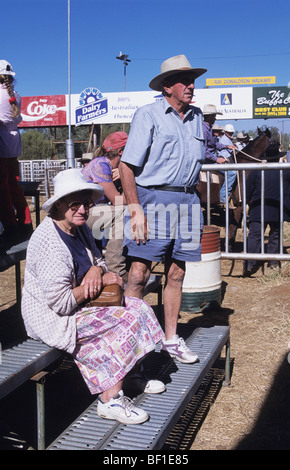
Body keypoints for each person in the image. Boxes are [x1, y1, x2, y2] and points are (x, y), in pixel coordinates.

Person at [21, 168, 165, 425]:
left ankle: (129, 374)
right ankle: (109, 399)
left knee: (140, 309)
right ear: (57, 206)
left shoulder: (80, 229)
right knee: (125, 320)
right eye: (74, 204)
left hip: (83, 304)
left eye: (86, 203)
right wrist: (96, 282)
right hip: (53, 316)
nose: (82, 210)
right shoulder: (47, 242)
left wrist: (97, 271)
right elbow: (61, 303)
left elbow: (98, 262)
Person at [119, 54, 207, 364]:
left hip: (188, 201)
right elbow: (127, 166)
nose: (192, 86)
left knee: (177, 272)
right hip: (153, 200)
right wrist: (134, 208)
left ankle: (170, 338)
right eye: (185, 80)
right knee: (139, 274)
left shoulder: (197, 117)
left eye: (193, 80)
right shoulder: (149, 114)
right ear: (167, 86)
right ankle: (130, 346)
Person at [82, 132, 128, 281]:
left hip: (87, 212)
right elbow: (118, 201)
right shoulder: (101, 165)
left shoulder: (104, 164)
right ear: (121, 152)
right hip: (82, 212)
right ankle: (116, 267)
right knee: (123, 212)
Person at [243, 142, 290, 276]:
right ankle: (273, 261)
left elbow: (247, 189)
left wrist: (248, 203)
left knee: (255, 235)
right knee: (275, 234)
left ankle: (250, 264)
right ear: (279, 157)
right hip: (278, 209)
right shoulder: (286, 170)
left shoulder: (257, 170)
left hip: (258, 209)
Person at [0, 60, 32, 246]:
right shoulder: (16, 95)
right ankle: (25, 223)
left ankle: (11, 227)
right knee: (15, 187)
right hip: (13, 145)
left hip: (2, 144)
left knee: (3, 190)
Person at [218, 124, 238, 205]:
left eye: (232, 132)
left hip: (227, 159)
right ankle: (223, 196)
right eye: (229, 132)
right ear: (225, 132)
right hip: (222, 160)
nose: (231, 134)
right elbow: (226, 154)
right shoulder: (224, 140)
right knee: (232, 173)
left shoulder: (228, 140)